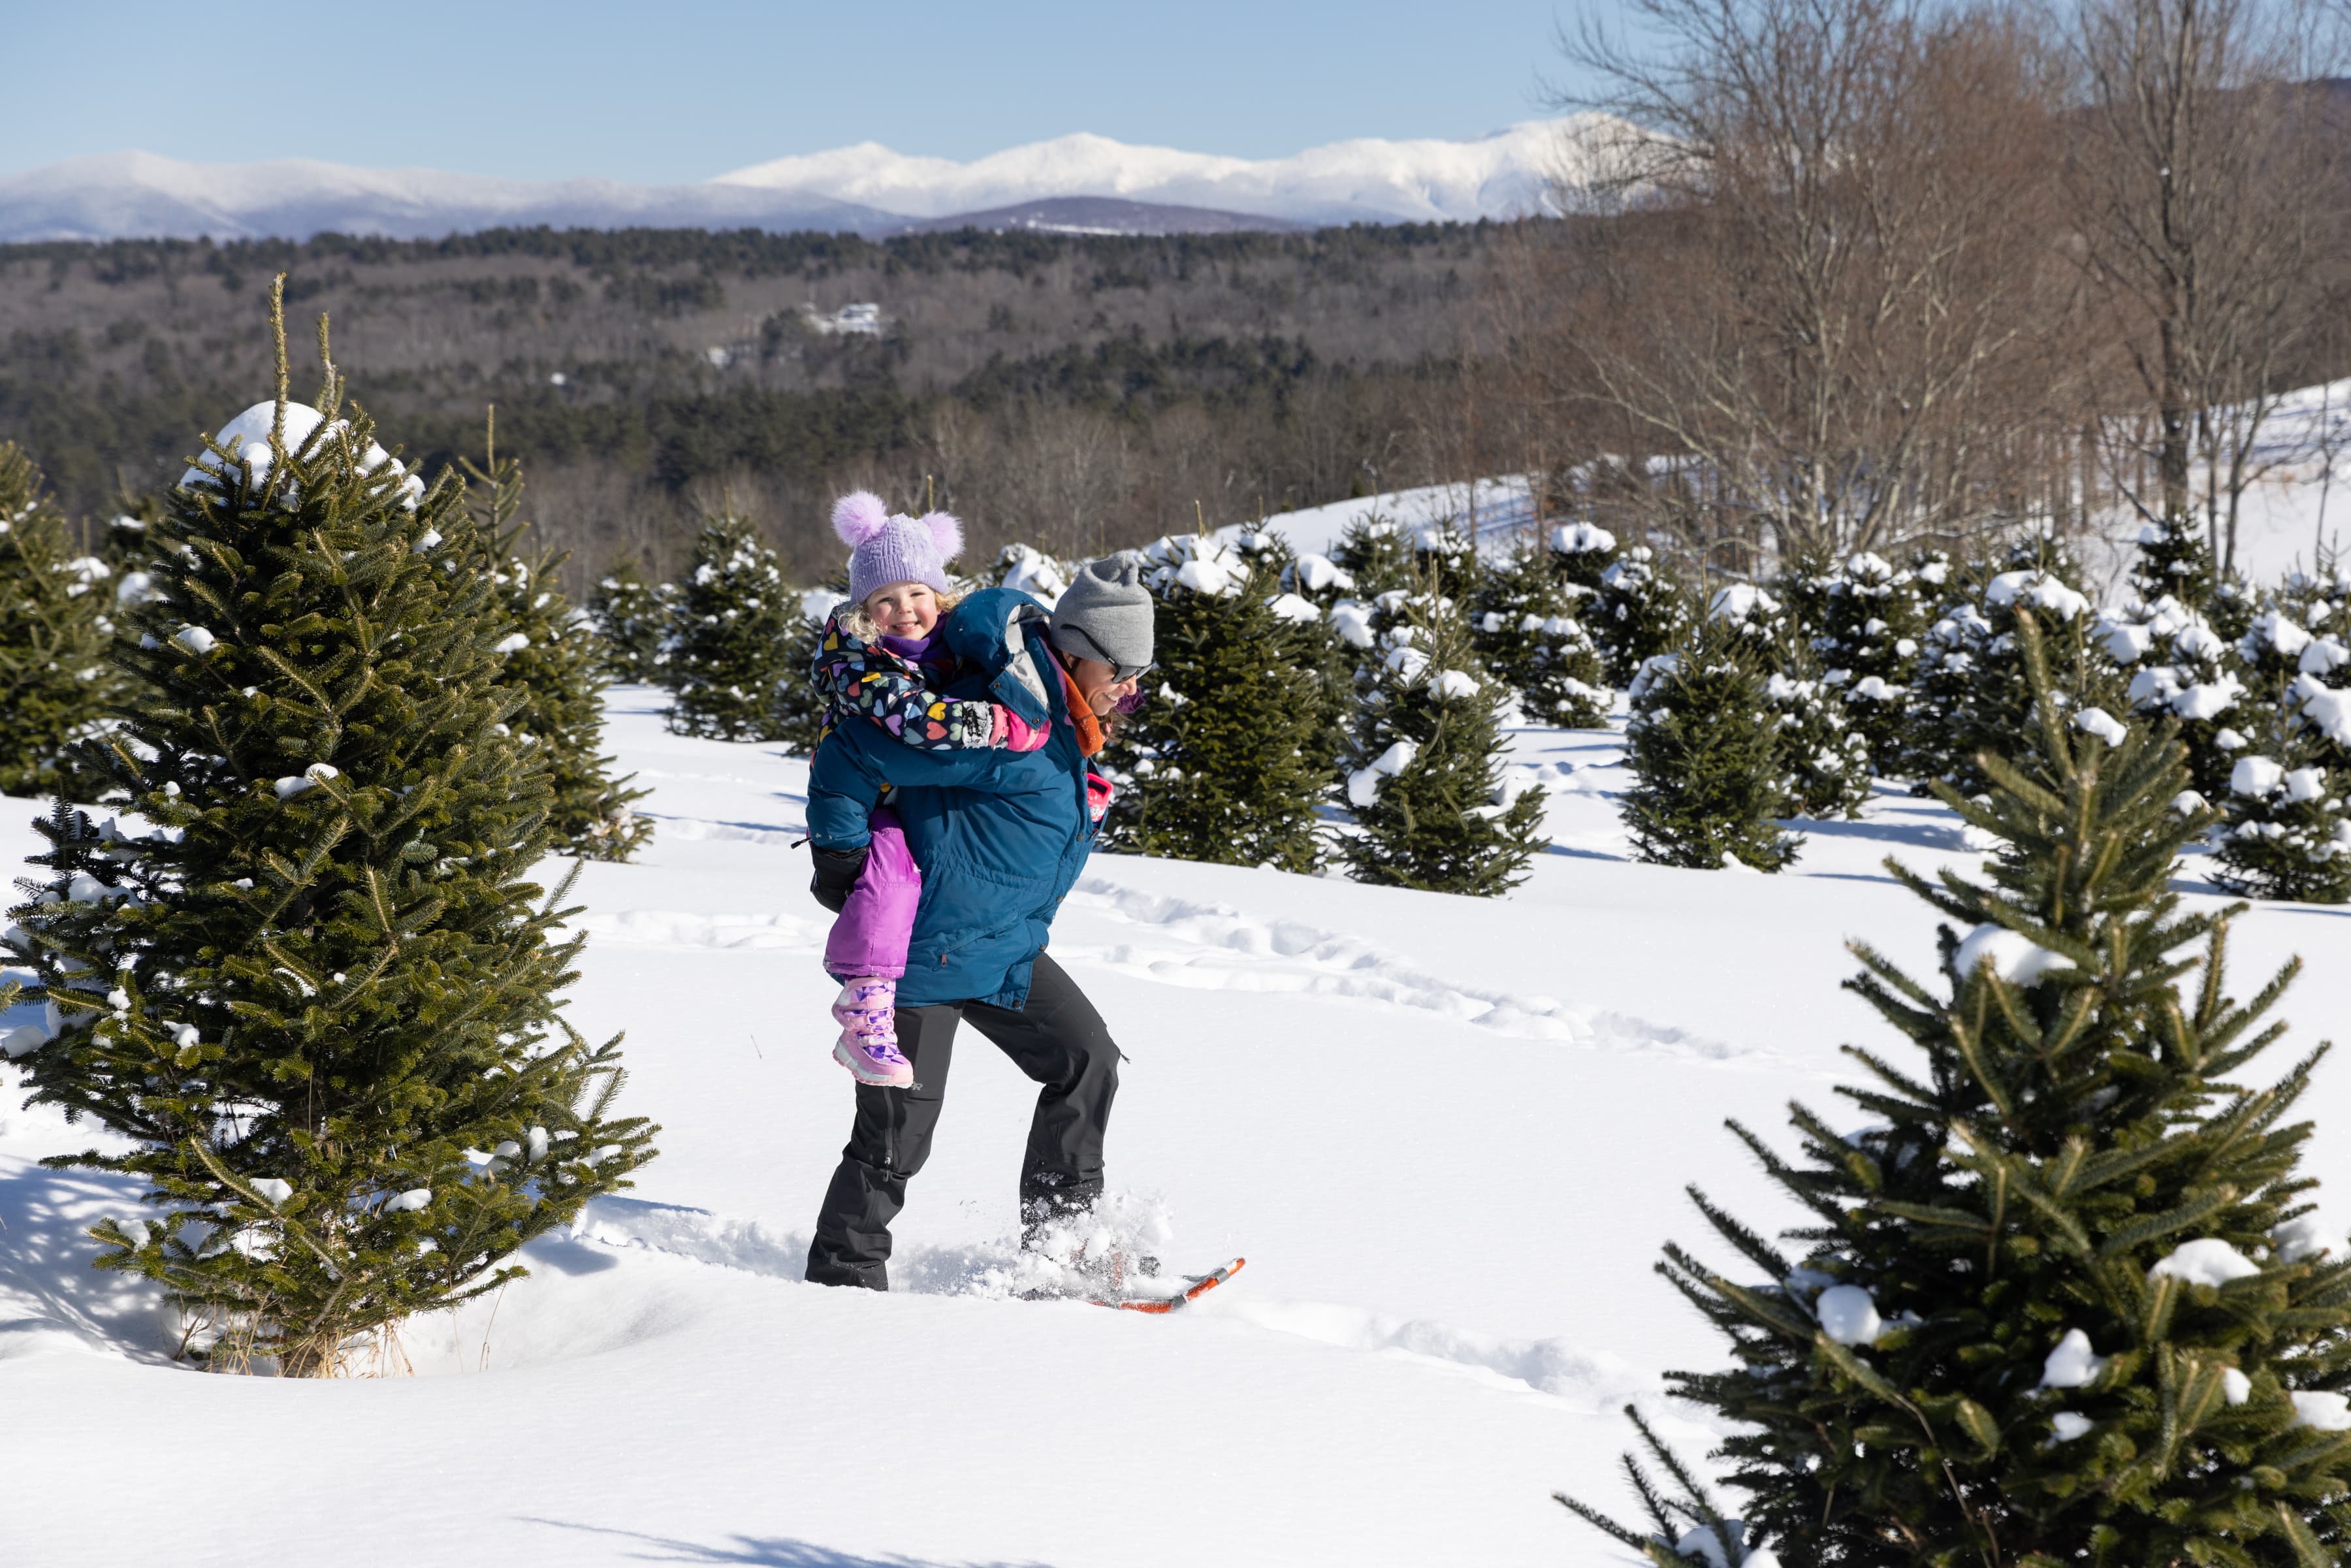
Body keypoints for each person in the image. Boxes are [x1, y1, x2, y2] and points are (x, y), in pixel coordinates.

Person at [801, 549, 1156, 1291]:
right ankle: (841, 1284)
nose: (1128, 692)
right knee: (897, 1138)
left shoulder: (1059, 726)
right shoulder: (1003, 723)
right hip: (924, 956)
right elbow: (851, 751)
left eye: (1135, 682)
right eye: (1121, 674)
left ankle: (1062, 1247)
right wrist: (841, 860)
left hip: (1003, 950)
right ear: (1080, 655)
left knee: (1087, 1061)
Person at [808, 492, 1051, 1089]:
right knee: (893, 876)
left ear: (938, 594)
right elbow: (911, 716)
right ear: (865, 608)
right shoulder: (857, 660)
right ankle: (863, 1009)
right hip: (870, 802)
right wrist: (989, 724)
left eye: (916, 593)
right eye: (885, 599)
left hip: (919, 794)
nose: (904, 609)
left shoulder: (953, 652)